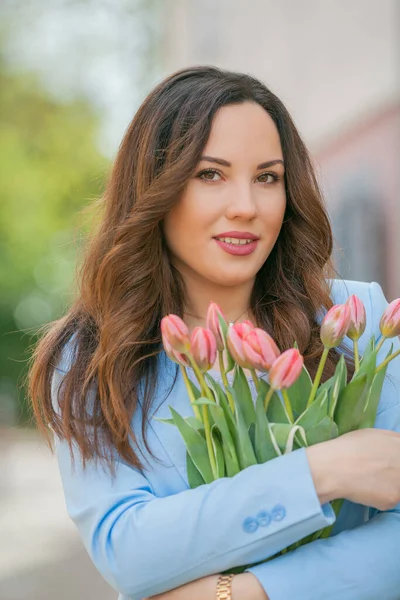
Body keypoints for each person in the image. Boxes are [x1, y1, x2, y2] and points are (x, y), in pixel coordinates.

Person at [28, 66, 400, 600]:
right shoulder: (93, 353)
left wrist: (247, 592)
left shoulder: (355, 322)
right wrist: (321, 470)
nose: (246, 206)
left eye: (267, 177)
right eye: (210, 174)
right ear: (156, 187)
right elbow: (128, 549)